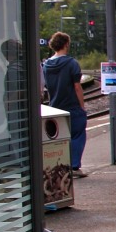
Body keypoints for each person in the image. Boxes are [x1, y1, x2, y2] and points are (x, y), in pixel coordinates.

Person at [43, 32, 87, 178]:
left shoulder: (46, 65)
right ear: (66, 44)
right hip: (72, 106)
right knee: (77, 135)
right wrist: (82, 106)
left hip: (55, 106)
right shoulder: (71, 63)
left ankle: (60, 167)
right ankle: (74, 166)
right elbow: (77, 87)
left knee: (60, 139)